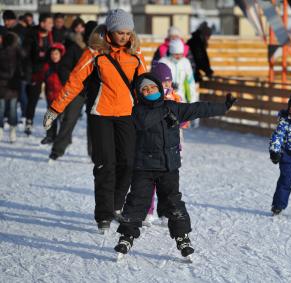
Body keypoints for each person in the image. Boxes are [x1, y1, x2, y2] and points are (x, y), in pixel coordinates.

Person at [43, 9, 148, 233]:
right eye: (120, 32)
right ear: (110, 30)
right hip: (101, 115)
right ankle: (103, 215)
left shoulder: (136, 54)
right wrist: (55, 109)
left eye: (128, 33)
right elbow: (74, 82)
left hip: (127, 115)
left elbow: (146, 85)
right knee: (105, 165)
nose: (124, 37)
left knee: (129, 163)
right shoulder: (94, 53)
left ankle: (117, 206)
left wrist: (159, 110)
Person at [113, 72, 237, 259]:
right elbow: (146, 122)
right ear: (140, 94)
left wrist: (223, 107)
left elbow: (197, 109)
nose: (149, 91)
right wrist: (164, 110)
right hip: (144, 167)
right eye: (144, 90)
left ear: (159, 88)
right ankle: (126, 236)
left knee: (173, 203)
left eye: (152, 87)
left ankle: (182, 237)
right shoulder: (138, 111)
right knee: (137, 201)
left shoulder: (173, 107)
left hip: (169, 167)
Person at [48, 19, 97, 160]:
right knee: (69, 119)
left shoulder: (101, 50)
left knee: (94, 122)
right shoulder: (76, 47)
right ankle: (57, 150)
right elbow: (63, 67)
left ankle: (94, 153)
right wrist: (73, 83)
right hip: (77, 91)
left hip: (94, 91)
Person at [143, 62, 181, 227]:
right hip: (152, 147)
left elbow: (183, 120)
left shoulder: (176, 98)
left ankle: (165, 212)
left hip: (171, 148)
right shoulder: (148, 100)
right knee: (149, 182)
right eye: (163, 82)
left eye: (169, 81)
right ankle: (148, 211)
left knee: (168, 183)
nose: (167, 85)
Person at [23, 13, 54, 136]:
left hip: (50, 71)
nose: (51, 25)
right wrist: (29, 73)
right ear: (42, 23)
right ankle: (29, 121)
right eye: (49, 23)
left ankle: (50, 124)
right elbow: (25, 56)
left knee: (52, 100)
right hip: (35, 72)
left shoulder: (53, 35)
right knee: (33, 99)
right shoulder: (31, 35)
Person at [40, 43, 66, 145]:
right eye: (52, 54)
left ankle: (64, 138)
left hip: (62, 98)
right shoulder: (47, 66)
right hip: (50, 97)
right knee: (50, 118)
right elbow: (43, 79)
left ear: (60, 55)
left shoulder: (64, 67)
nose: (54, 56)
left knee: (63, 120)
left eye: (56, 54)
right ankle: (50, 136)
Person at [0, 29, 22, 143]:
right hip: (9, 85)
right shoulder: (17, 51)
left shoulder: (16, 52)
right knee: (9, 109)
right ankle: (10, 131)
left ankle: (9, 130)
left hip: (9, 85)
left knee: (4, 109)